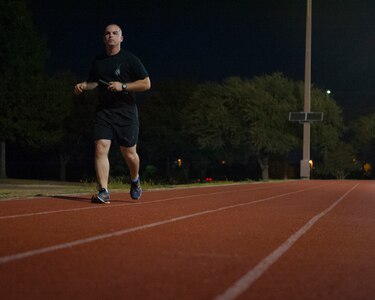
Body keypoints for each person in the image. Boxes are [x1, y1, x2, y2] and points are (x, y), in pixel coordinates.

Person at [74, 24, 151, 204]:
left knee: (129, 153)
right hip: (104, 112)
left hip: (126, 112)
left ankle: (135, 180)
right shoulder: (98, 61)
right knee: (101, 147)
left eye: (115, 33)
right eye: (107, 33)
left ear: (121, 38)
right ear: (104, 38)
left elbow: (146, 83)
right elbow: (94, 82)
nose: (111, 36)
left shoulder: (130, 59)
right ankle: (103, 191)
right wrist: (84, 86)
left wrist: (123, 86)